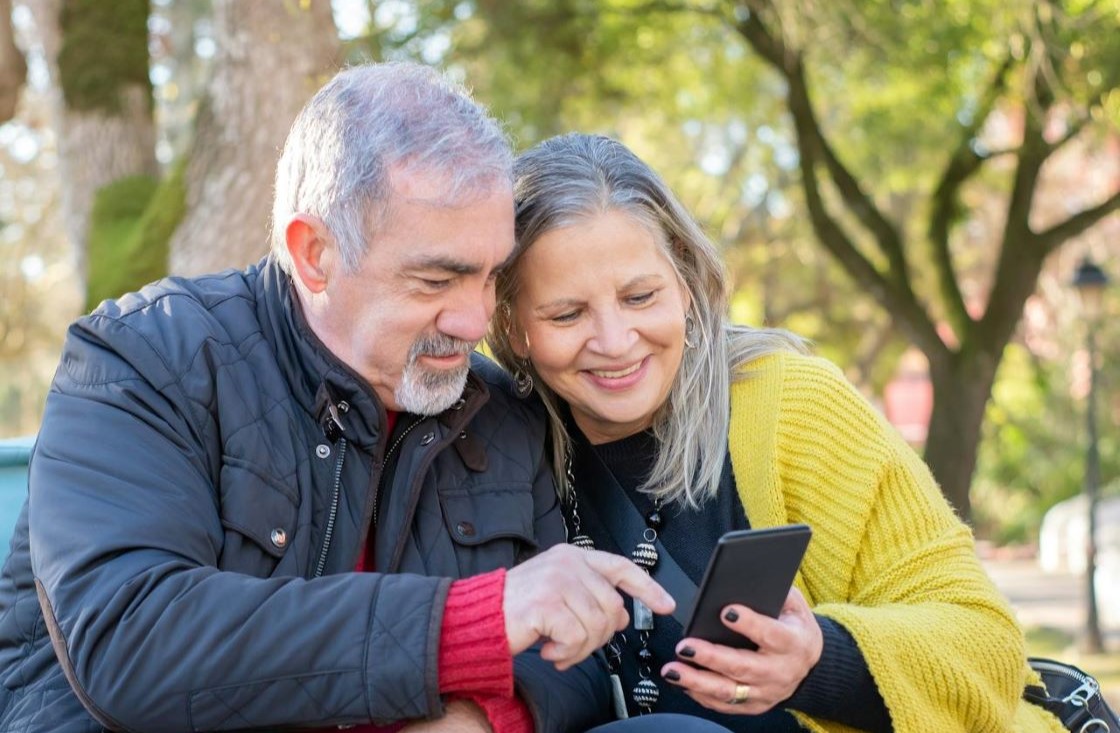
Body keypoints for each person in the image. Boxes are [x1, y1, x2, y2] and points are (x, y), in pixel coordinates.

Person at [0, 65, 677, 733]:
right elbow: (131, 641)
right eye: (437, 278)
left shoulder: (497, 411)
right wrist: (470, 621)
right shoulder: (142, 360)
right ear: (315, 252)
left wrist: (479, 719)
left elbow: (575, 660)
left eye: (491, 275)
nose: (475, 322)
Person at [487, 133, 1067, 733]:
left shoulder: (792, 404)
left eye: (640, 296)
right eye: (566, 314)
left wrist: (820, 660)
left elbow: (986, 643)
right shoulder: (499, 450)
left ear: (685, 283)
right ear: (509, 322)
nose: (614, 341)